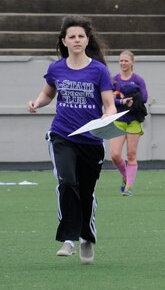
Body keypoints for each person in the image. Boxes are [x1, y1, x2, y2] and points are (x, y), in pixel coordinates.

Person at [26, 15, 117, 264]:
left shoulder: (98, 70)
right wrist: (36, 103)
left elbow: (109, 104)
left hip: (91, 140)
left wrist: (106, 116)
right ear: (64, 41)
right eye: (72, 36)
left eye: (81, 36)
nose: (77, 40)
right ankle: (68, 238)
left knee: (86, 191)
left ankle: (87, 236)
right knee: (67, 182)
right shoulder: (57, 68)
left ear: (87, 40)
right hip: (62, 134)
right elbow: (47, 94)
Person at [109, 50, 148, 196]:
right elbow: (110, 98)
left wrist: (133, 97)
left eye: (126, 60)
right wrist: (122, 100)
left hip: (133, 121)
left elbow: (144, 97)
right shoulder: (114, 80)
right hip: (118, 120)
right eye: (121, 60)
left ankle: (129, 187)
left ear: (132, 62)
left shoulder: (138, 79)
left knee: (131, 154)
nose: (123, 63)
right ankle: (126, 175)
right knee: (114, 154)